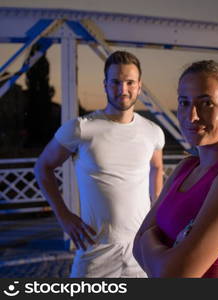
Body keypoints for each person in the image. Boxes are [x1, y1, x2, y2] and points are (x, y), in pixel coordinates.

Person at [34, 51, 165, 278]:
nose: (123, 89)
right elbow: (42, 167)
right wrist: (64, 215)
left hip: (141, 248)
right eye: (115, 82)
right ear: (105, 85)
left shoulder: (153, 132)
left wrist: (159, 215)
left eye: (129, 82)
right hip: (96, 250)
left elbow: (157, 168)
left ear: (139, 86)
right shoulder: (81, 128)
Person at [133, 60, 218, 278]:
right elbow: (135, 249)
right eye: (184, 103)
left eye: (206, 103)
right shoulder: (186, 167)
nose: (192, 116)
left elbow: (174, 276)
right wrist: (158, 255)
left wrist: (148, 238)